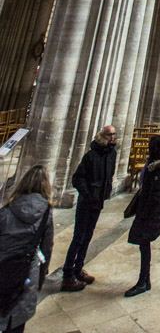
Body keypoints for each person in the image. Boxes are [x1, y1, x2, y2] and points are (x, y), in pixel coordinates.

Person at [61, 124, 117, 291]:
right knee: (78, 237)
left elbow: (109, 174)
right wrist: (88, 194)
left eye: (114, 134)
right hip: (88, 201)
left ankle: (78, 269)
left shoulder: (112, 154)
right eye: (110, 134)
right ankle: (67, 274)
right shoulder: (91, 155)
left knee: (88, 236)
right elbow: (77, 178)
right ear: (103, 136)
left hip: (98, 200)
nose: (113, 137)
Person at [0, 165, 54, 333]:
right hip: (26, 272)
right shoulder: (45, 212)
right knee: (16, 320)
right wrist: (41, 275)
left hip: (3, 266)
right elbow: (47, 247)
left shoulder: (6, 210)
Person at [125, 135, 160, 298]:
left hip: (149, 211)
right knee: (143, 244)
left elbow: (154, 193)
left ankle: (143, 281)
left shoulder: (158, 169)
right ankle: (144, 280)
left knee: (143, 243)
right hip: (147, 209)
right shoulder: (155, 165)